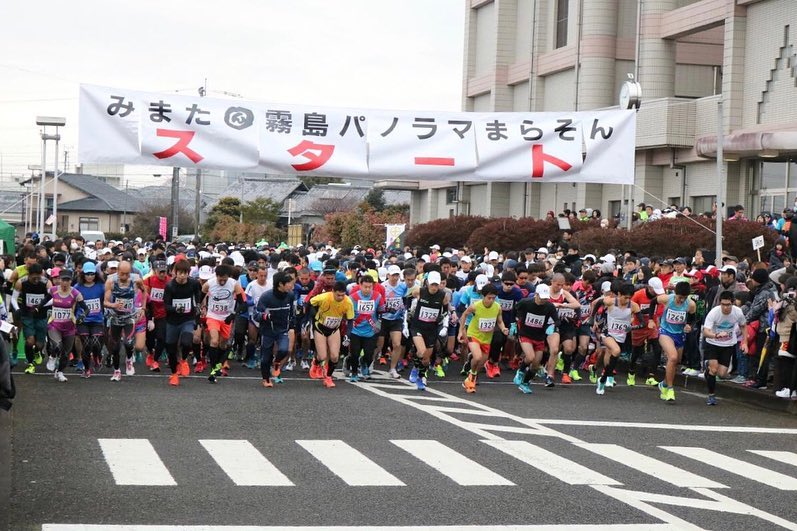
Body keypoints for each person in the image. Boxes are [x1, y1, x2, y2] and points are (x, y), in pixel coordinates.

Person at [458, 284, 509, 394]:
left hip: (486, 338)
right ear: (483, 296)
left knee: (481, 361)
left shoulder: (497, 307)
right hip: (474, 334)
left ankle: (470, 377)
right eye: (489, 298)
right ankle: (471, 380)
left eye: (493, 298)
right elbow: (464, 315)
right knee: (477, 357)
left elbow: (499, 321)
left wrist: (503, 328)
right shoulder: (475, 306)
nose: (491, 300)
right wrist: (462, 331)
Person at [201, 264, 246, 383]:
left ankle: (217, 365)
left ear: (228, 277)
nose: (222, 281)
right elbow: (200, 295)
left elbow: (242, 303)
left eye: (224, 279)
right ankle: (213, 370)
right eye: (220, 279)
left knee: (223, 344)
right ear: (216, 276)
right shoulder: (209, 284)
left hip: (226, 317)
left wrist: (233, 314)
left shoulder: (234, 284)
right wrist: (201, 309)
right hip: (213, 316)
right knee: (214, 341)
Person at [406, 270, 450, 391]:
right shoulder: (419, 291)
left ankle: (419, 373)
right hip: (418, 326)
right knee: (421, 351)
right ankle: (417, 374)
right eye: (432, 284)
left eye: (437, 284)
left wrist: (444, 326)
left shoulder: (443, 296)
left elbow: (446, 312)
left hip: (432, 329)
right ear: (427, 283)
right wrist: (408, 315)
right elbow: (407, 300)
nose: (434, 287)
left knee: (426, 359)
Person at [596, 283, 643, 395]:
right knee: (616, 351)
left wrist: (632, 327)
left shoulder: (634, 306)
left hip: (621, 336)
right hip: (607, 333)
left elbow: (642, 323)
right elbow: (596, 303)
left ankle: (604, 377)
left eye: (629, 298)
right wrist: (593, 319)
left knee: (612, 356)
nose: (627, 300)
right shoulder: (610, 301)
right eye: (624, 297)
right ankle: (604, 380)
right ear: (619, 294)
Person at [513, 284, 560, 394]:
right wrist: (514, 323)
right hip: (525, 334)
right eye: (541, 298)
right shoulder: (526, 303)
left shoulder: (549, 306)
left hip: (539, 337)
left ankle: (525, 383)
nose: (543, 300)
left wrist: (553, 327)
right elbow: (515, 310)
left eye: (545, 298)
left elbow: (557, 320)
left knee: (535, 365)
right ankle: (520, 371)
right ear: (536, 295)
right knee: (530, 357)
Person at [702, 290, 748, 405]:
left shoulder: (738, 312)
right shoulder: (714, 313)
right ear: (720, 303)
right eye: (723, 304)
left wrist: (745, 342)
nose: (725, 308)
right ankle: (711, 395)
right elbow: (706, 332)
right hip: (712, 343)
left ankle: (707, 368)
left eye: (728, 305)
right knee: (714, 369)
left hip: (727, 345)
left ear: (733, 303)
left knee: (722, 374)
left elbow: (743, 325)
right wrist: (716, 335)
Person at [163, 259, 203, 386]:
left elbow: (198, 295)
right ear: (175, 272)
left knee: (187, 342)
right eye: (179, 273)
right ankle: (174, 373)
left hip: (187, 319)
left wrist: (197, 306)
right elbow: (166, 306)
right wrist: (175, 309)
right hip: (172, 320)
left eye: (184, 273)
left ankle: (184, 360)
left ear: (188, 273)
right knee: (171, 348)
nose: (182, 276)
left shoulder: (194, 283)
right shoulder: (170, 286)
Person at [252, 271, 296, 388]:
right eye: (288, 283)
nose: (291, 286)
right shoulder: (266, 297)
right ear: (280, 284)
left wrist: (292, 324)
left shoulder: (290, 296)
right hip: (268, 331)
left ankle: (276, 363)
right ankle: (266, 379)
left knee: (284, 350)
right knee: (265, 358)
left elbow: (292, 313)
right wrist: (266, 316)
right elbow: (256, 315)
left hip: (282, 330)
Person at [308, 281, 354, 388]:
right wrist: (313, 316)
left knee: (334, 356)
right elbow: (310, 302)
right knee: (323, 356)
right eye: (338, 295)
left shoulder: (348, 302)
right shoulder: (324, 297)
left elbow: (350, 320)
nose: (340, 297)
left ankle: (328, 377)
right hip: (320, 327)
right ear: (333, 292)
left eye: (343, 295)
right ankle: (315, 362)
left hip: (334, 329)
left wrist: (348, 334)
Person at [656, 281, 697, 402]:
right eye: (679, 297)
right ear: (675, 294)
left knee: (675, 362)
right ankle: (669, 388)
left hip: (679, 334)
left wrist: (689, 325)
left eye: (684, 298)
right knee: (672, 357)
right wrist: (652, 319)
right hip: (665, 331)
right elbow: (653, 302)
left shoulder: (691, 304)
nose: (681, 300)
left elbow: (693, 317)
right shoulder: (666, 299)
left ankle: (663, 384)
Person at [104, 261, 142, 382]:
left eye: (127, 274)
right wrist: (113, 305)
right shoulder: (111, 281)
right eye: (122, 274)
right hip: (115, 318)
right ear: (118, 272)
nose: (125, 277)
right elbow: (105, 302)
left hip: (129, 317)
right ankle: (117, 371)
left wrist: (143, 308)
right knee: (115, 348)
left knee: (128, 342)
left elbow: (145, 291)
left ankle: (129, 360)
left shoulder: (136, 280)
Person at [47, 269, 87, 382]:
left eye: (67, 280)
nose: (65, 282)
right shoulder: (53, 290)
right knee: (57, 345)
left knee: (66, 353)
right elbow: (44, 301)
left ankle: (59, 372)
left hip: (69, 326)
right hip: (54, 325)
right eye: (63, 279)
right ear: (59, 280)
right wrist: (36, 308)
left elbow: (86, 308)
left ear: (71, 281)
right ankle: (52, 356)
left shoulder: (75, 293)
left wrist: (81, 317)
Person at [13, 263, 51, 375]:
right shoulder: (21, 282)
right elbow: (14, 299)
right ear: (29, 275)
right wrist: (17, 309)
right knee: (30, 341)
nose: (36, 280)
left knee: (40, 344)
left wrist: (39, 306)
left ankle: (37, 352)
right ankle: (30, 363)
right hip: (27, 314)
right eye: (34, 278)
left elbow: (53, 299)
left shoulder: (47, 283)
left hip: (41, 315)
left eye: (38, 277)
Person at [346, 274, 384, 382]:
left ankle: (364, 363)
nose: (367, 289)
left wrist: (379, 323)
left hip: (371, 330)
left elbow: (381, 311)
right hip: (356, 329)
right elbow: (348, 312)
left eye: (370, 287)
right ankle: (354, 373)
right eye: (365, 287)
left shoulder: (377, 296)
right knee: (355, 352)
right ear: (360, 285)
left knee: (369, 353)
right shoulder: (353, 297)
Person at [74, 261, 105, 378]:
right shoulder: (77, 288)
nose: (90, 276)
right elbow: (74, 304)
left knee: (96, 344)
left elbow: (105, 300)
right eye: (87, 274)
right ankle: (86, 369)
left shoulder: (101, 287)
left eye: (92, 274)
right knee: (86, 344)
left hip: (97, 319)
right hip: (83, 321)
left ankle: (97, 357)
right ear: (83, 274)